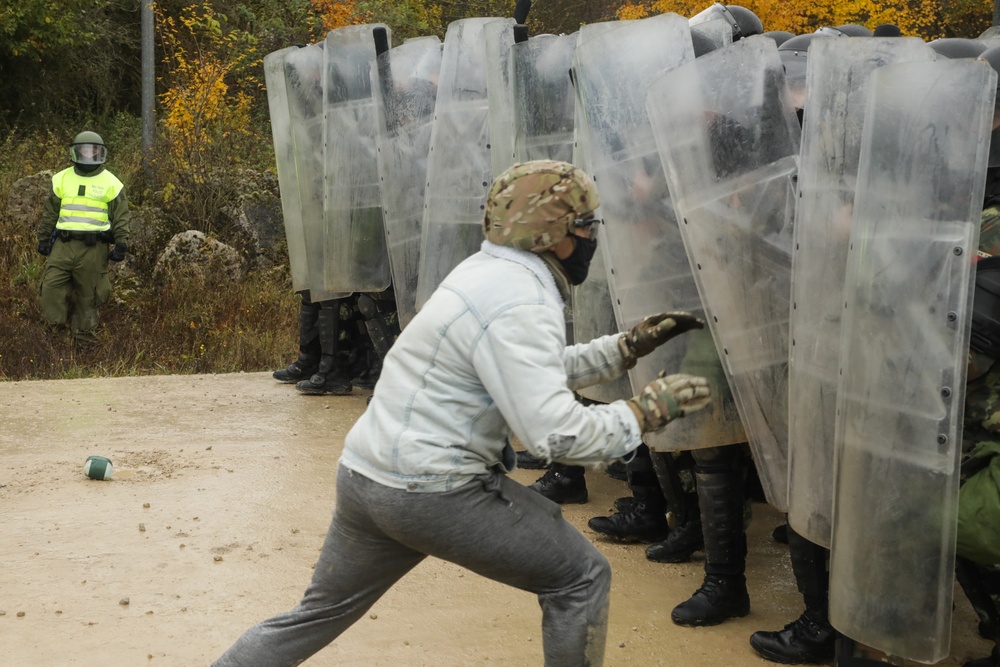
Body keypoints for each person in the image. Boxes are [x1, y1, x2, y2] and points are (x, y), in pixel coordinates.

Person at [212, 159, 713, 667]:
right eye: (585, 225)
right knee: (581, 578)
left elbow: (521, 370)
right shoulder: (522, 299)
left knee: (317, 614)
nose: (591, 237)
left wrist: (624, 348)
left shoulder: (486, 271)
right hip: (431, 491)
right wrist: (646, 412)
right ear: (549, 232)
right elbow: (559, 437)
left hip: (367, 476)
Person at [36, 131, 130, 346]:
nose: (88, 154)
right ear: (75, 152)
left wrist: (121, 243)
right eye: (84, 150)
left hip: (94, 248)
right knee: (50, 289)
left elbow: (121, 216)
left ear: (100, 152)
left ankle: (85, 346)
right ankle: (56, 341)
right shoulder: (61, 178)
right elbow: (50, 211)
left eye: (93, 150)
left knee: (91, 295)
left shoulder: (111, 183)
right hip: (63, 245)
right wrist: (43, 238)